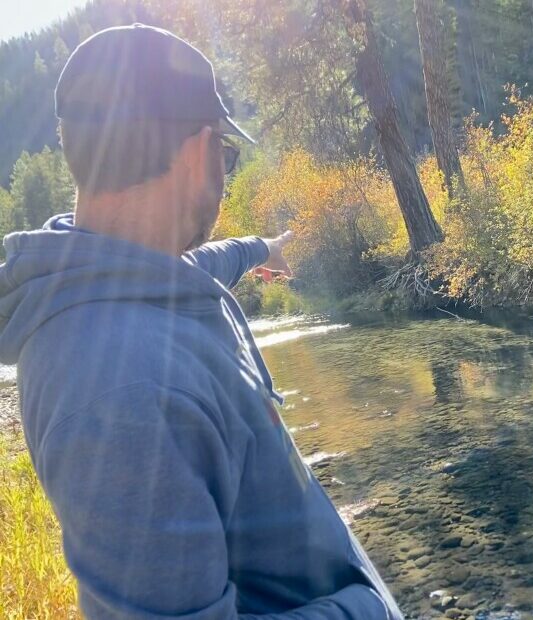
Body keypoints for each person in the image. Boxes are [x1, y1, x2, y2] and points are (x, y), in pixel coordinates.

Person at [0, 24, 402, 620]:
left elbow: (205, 262)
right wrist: (364, 611)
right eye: (227, 155)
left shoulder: (128, 277)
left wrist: (262, 248)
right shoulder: (123, 394)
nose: (225, 172)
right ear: (198, 151)